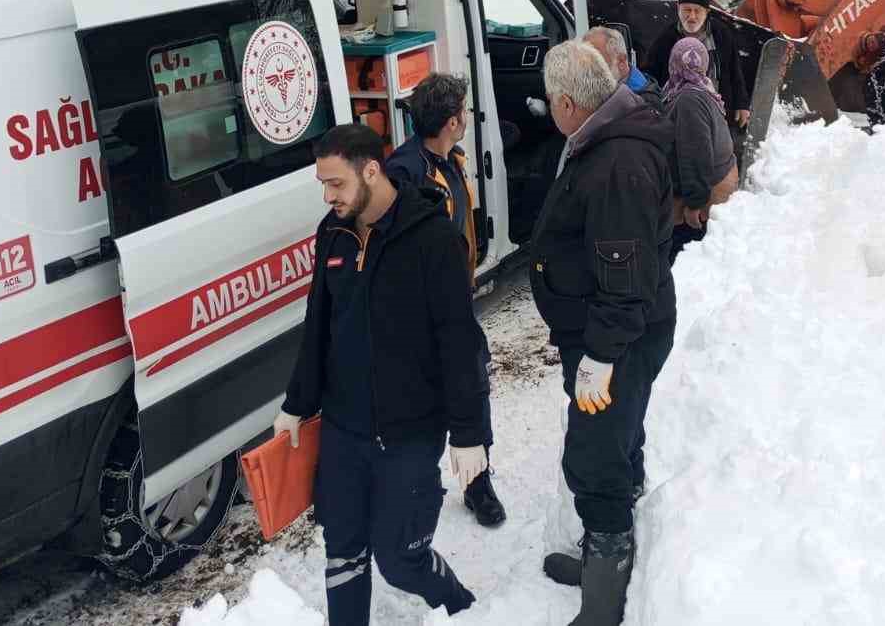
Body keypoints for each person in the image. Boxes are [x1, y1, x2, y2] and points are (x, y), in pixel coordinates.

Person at [274, 124, 485, 625]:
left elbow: (459, 340)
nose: (329, 197)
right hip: (345, 430)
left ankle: (459, 604)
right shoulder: (334, 232)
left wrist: (471, 431)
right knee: (342, 553)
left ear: (371, 171)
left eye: (337, 184)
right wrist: (297, 404)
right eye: (322, 185)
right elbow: (319, 323)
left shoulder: (431, 238)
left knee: (398, 558)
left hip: (409, 431)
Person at [532, 41, 677, 625]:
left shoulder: (619, 165)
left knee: (596, 458)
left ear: (569, 102)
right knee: (615, 441)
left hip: (616, 339)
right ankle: (604, 554)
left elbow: (626, 278)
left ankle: (605, 598)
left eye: (550, 101)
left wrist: (600, 356)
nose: (549, 110)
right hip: (608, 333)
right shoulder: (602, 138)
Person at [383, 73, 507, 528]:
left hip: (454, 301)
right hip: (422, 312)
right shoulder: (404, 173)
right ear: (452, 121)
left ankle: (478, 485)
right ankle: (415, 488)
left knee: (472, 387)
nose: (467, 117)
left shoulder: (449, 158)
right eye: (463, 111)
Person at [662, 37, 738, 260]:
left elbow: (696, 155)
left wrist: (694, 205)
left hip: (699, 199)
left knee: (685, 261)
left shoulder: (688, 99)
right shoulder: (700, 87)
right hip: (710, 184)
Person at [647, 0, 749, 134]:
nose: (692, 16)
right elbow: (651, 72)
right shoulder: (667, 37)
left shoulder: (720, 34)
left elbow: (735, 70)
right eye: (687, 10)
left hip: (717, 110)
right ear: (678, 9)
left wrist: (742, 104)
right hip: (676, 112)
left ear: (707, 12)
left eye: (697, 11)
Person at [583, 25, 663, 111]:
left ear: (621, 61)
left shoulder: (644, 104)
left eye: (597, 63)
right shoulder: (614, 86)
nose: (587, 71)